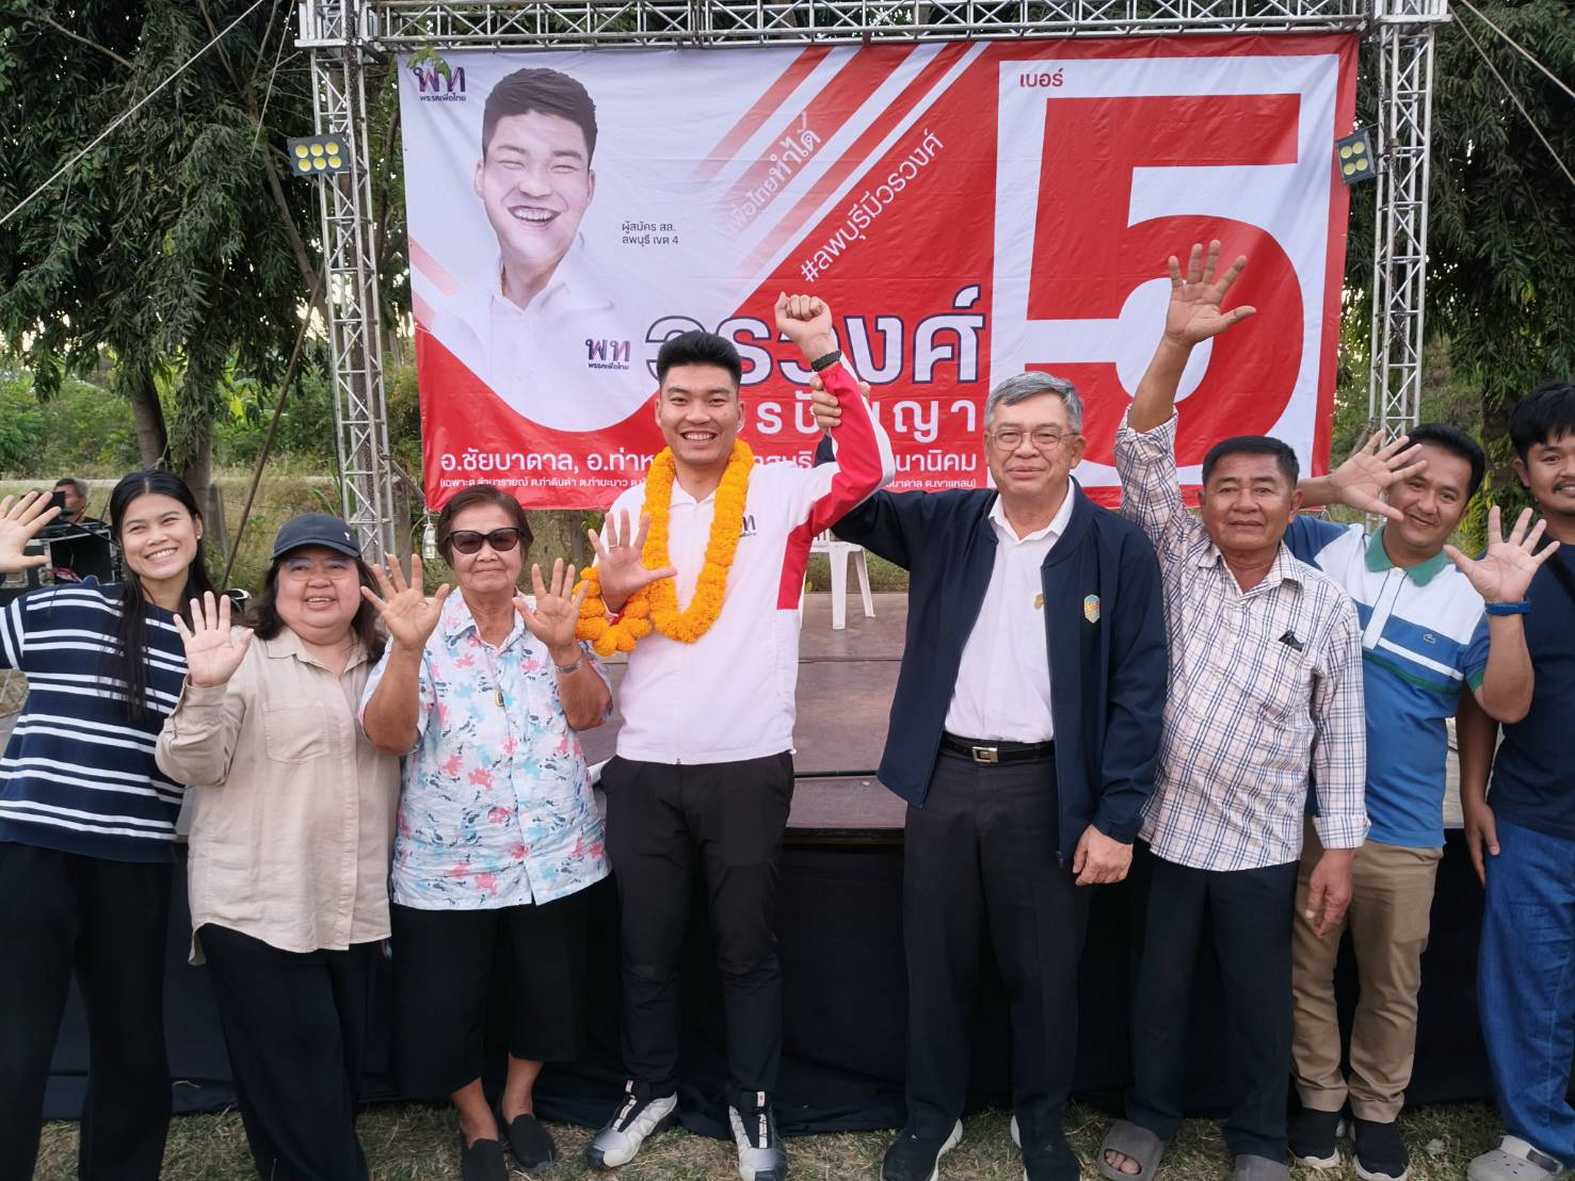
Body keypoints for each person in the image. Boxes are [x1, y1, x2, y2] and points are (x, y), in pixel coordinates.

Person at [807, 363, 1167, 1179]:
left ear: (1075, 447)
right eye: (1009, 433)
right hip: (942, 782)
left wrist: (1117, 816)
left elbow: (1141, 689)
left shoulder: (1116, 546)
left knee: (1045, 975)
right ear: (986, 446)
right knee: (934, 964)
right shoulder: (948, 521)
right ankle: (930, 1117)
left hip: (1048, 790)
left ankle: (1039, 1121)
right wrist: (837, 420)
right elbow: (851, 504)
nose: (1025, 448)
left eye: (1044, 434)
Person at [578, 294, 893, 1181]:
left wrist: (824, 354)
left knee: (746, 949)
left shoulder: (784, 492)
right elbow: (613, 636)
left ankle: (751, 1099)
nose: (698, 414)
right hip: (642, 765)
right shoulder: (628, 506)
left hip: (749, 761)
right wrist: (610, 595)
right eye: (681, 398)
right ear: (658, 408)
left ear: (740, 409)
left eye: (715, 398)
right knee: (644, 946)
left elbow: (870, 466)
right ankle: (650, 1087)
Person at [1097, 243, 1366, 1181]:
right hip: (1164, 831)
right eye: (1226, 487)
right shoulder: (1171, 554)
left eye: (1264, 488)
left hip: (1263, 842)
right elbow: (1138, 449)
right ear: (1201, 501)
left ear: (1295, 503)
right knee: (1156, 990)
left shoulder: (1323, 601)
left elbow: (1342, 736)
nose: (1244, 503)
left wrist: (1338, 847)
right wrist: (1175, 342)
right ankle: (1148, 1115)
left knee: (1260, 999)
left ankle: (1256, 1135)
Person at [1283, 426, 1554, 1181]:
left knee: (1390, 980)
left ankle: (1376, 1108)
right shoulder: (1323, 547)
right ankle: (1317, 1098)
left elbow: (1505, 704)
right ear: (1387, 482)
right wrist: (1329, 487)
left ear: (1464, 508)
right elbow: (1245, 505)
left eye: (1447, 494)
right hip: (1303, 811)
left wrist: (1506, 609)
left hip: (1401, 826)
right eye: (1414, 482)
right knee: (1305, 969)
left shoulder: (1474, 595)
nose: (1426, 503)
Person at [360, 485, 611, 1181]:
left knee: (547, 991)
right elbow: (388, 736)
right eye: (467, 541)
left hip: (555, 857)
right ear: (450, 554)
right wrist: (406, 651)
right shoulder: (420, 632)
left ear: (522, 546)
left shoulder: (551, 621)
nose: (487, 552)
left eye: (502, 537)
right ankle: (476, 1122)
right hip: (448, 867)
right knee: (445, 1006)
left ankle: (518, 1102)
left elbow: (590, 715)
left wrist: (565, 649)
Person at [153, 515, 401, 1181]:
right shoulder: (240, 656)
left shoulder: (388, 661)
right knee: (300, 1071)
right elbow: (190, 765)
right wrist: (206, 688)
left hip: (351, 904)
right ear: (275, 582)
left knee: (327, 1071)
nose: (318, 581)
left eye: (335, 566)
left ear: (360, 581)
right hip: (258, 905)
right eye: (299, 567)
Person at [0, 472, 217, 1181]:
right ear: (120, 541)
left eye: (169, 519)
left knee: (133, 1047)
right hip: (32, 849)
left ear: (196, 525)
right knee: (15, 1044)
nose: (157, 537)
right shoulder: (69, 606)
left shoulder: (216, 635)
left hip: (136, 860)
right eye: (137, 527)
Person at [1458, 382, 1574, 1181]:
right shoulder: (1511, 566)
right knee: (1530, 982)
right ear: (1525, 472)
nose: (1567, 468)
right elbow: (1491, 700)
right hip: (1535, 817)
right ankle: (1537, 1136)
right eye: (1549, 454)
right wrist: (1472, 792)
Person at [431, 67, 644, 433]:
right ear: (480, 175)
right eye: (513, 162)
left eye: (562, 166)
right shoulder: (452, 320)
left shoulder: (635, 307)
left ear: (589, 186)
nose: (535, 186)